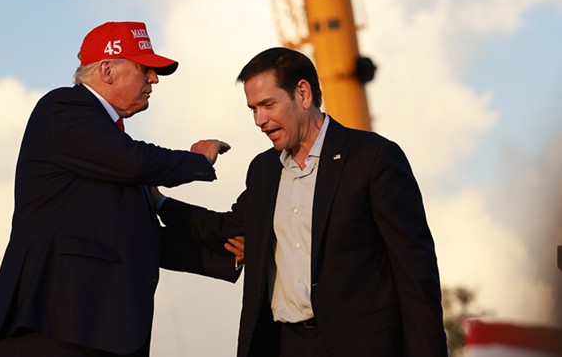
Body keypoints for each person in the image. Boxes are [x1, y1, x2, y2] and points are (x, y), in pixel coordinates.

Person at [157, 47, 448, 356]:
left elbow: (416, 272)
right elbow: (225, 229)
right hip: (284, 345)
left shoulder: (373, 158)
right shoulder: (263, 169)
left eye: (268, 105)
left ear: (304, 94)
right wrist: (159, 202)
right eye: (253, 108)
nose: (259, 120)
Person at [0, 21, 242, 357]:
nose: (153, 79)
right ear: (107, 70)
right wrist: (196, 160)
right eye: (144, 69)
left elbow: (140, 237)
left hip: (101, 330)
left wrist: (229, 254)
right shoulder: (64, 108)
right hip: (58, 326)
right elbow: (135, 161)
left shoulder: (107, 145)